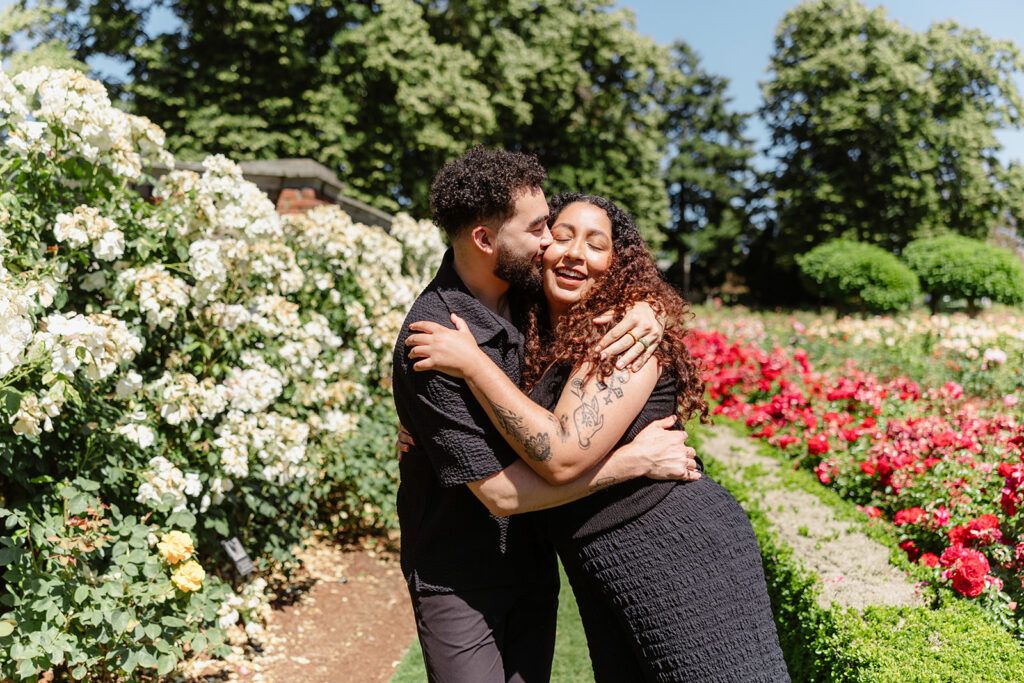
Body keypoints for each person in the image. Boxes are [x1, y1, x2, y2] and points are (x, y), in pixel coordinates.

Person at [405, 192, 790, 682]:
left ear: (618, 263)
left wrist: (472, 363)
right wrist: (424, 419)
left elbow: (561, 455)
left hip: (677, 547)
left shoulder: (618, 335)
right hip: (607, 561)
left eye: (596, 244)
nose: (574, 253)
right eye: (560, 236)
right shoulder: (535, 329)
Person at [392, 148, 702, 683]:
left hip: (532, 563)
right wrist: (634, 461)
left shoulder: (523, 291)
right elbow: (502, 497)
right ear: (486, 241)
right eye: (539, 229)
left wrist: (649, 310)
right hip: (460, 575)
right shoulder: (435, 341)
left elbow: (612, 277)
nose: (550, 243)